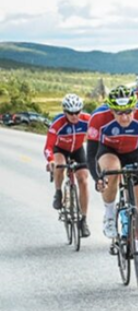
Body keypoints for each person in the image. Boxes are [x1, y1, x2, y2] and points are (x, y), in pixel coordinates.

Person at [86, 85, 138, 239]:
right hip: (108, 151)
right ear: (111, 110)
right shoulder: (98, 117)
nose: (124, 118)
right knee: (113, 170)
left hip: (135, 152)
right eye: (119, 113)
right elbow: (91, 152)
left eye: (128, 112)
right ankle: (110, 215)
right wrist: (97, 177)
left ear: (135, 109)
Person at [44, 94, 92, 236]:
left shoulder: (87, 120)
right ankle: (58, 192)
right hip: (60, 149)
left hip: (77, 150)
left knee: (83, 180)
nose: (74, 116)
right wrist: (50, 160)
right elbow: (48, 147)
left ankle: (83, 220)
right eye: (70, 113)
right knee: (60, 165)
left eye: (77, 112)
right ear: (64, 112)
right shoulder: (58, 123)